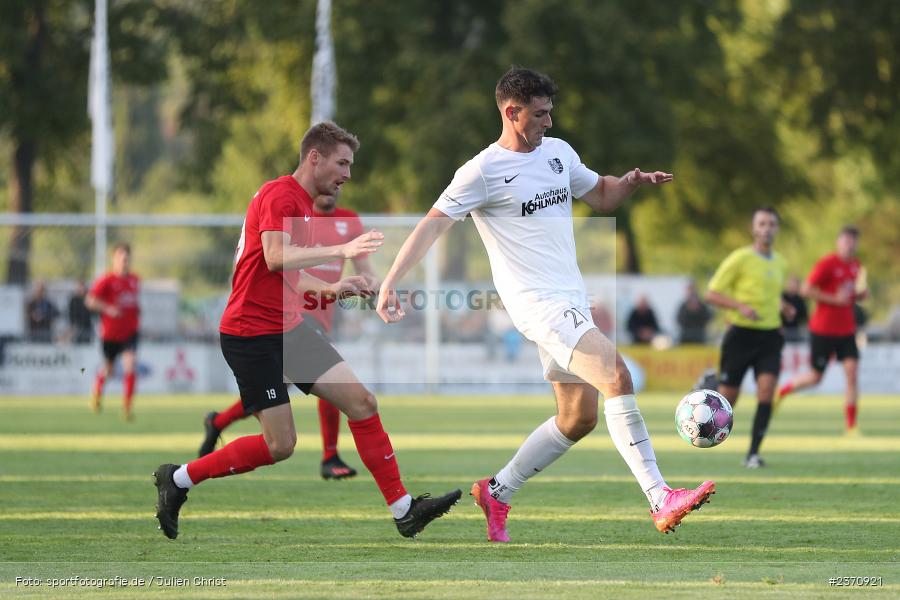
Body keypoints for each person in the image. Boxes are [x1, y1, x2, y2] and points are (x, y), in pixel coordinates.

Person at [376, 67, 715, 542]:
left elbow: (600, 195)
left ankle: (497, 490)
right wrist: (391, 279)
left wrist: (630, 182)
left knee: (579, 417)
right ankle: (660, 497)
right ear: (511, 113)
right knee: (617, 375)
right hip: (537, 305)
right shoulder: (482, 171)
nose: (549, 122)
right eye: (540, 114)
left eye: (550, 112)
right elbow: (433, 224)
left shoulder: (558, 153)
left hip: (569, 297)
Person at [152, 121, 460, 540]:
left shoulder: (300, 202)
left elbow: (286, 276)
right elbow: (276, 257)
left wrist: (336, 287)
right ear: (314, 157)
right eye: (342, 162)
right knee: (280, 446)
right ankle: (179, 479)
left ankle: (405, 509)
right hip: (251, 335)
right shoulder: (282, 194)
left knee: (362, 402)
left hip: (289, 328)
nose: (348, 174)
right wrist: (343, 250)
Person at [198, 191, 376, 480]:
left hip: (321, 315)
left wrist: (384, 289)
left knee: (277, 391)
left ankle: (218, 421)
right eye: (339, 165)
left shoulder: (350, 222)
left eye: (346, 167)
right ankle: (330, 455)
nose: (339, 180)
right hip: (288, 315)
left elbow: (366, 271)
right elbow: (270, 262)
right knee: (331, 381)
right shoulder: (292, 216)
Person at [704, 207, 795, 468]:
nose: (767, 228)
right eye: (762, 224)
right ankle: (710, 383)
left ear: (777, 229)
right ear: (754, 229)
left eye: (772, 224)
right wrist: (739, 307)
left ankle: (753, 454)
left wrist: (783, 306)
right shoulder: (740, 258)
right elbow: (712, 293)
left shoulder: (780, 263)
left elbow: (770, 294)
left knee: (767, 392)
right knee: (728, 399)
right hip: (741, 335)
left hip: (770, 337)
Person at [777, 226, 866, 433]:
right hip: (823, 329)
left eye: (853, 241)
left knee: (852, 374)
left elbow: (850, 295)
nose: (849, 245)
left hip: (847, 330)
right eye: (845, 241)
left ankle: (851, 426)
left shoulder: (856, 266)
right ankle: (783, 390)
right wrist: (834, 299)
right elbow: (805, 289)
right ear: (838, 242)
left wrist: (859, 296)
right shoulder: (827, 263)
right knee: (816, 377)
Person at [85, 244, 140, 420]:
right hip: (110, 334)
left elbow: (133, 304)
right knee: (109, 369)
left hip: (130, 333)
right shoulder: (106, 280)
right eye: (121, 257)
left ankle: (126, 408)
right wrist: (108, 308)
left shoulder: (135, 280)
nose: (124, 261)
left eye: (126, 258)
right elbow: (90, 301)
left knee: (130, 364)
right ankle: (97, 393)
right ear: (114, 259)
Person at [780, 275, 808, 342]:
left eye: (794, 285)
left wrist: (794, 314)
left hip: (795, 331)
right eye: (790, 284)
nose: (792, 286)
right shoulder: (781, 297)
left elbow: (804, 317)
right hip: (780, 330)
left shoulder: (800, 300)